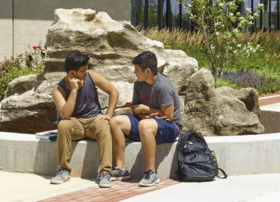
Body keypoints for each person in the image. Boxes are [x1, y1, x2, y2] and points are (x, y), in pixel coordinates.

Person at [108, 50, 182, 188]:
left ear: (147, 71)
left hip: (170, 127)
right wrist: (145, 114)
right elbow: (136, 110)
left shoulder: (163, 86)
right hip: (146, 122)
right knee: (115, 121)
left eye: (137, 70)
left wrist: (146, 110)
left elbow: (169, 116)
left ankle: (151, 172)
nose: (134, 72)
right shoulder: (138, 84)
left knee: (145, 125)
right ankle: (121, 169)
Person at [50, 49, 118, 187]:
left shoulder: (91, 76)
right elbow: (65, 115)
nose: (86, 72)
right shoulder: (58, 89)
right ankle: (64, 169)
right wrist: (74, 90)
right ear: (72, 73)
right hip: (75, 125)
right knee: (63, 125)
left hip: (94, 120)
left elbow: (113, 92)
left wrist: (108, 115)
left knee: (105, 125)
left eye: (86, 69)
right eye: (82, 70)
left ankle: (105, 173)